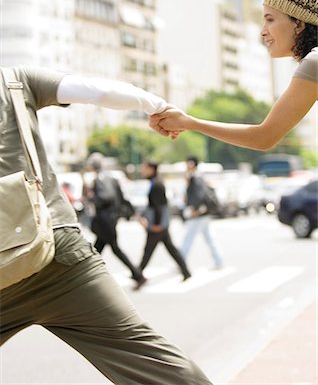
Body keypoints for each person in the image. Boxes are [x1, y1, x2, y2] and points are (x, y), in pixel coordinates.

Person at [0, 67, 212, 385]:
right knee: (149, 357)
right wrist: (157, 106)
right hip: (57, 252)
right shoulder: (14, 80)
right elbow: (94, 90)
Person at [150, 0, 318, 150]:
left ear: (298, 24)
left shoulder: (314, 62)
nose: (263, 32)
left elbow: (264, 137)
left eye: (270, 20)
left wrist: (190, 122)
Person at [86, 153, 146, 291]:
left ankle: (137, 275)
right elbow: (121, 197)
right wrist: (132, 213)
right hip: (111, 219)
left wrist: (92, 199)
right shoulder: (112, 178)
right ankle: (89, 276)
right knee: (98, 250)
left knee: (113, 249)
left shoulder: (100, 179)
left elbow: (105, 197)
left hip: (104, 220)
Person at [137, 159, 192, 281]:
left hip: (158, 224)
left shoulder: (156, 184)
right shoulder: (155, 182)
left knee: (149, 250)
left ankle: (137, 273)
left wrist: (157, 223)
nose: (142, 170)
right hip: (161, 223)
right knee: (170, 249)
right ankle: (186, 271)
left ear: (152, 169)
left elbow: (158, 206)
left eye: (144, 168)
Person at [181, 156, 224, 269]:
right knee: (209, 238)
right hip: (203, 212)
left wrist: (195, 209)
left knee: (189, 238)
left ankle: (180, 261)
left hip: (199, 213)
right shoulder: (198, 176)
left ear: (191, 164)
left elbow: (198, 195)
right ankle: (219, 261)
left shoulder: (196, 177)